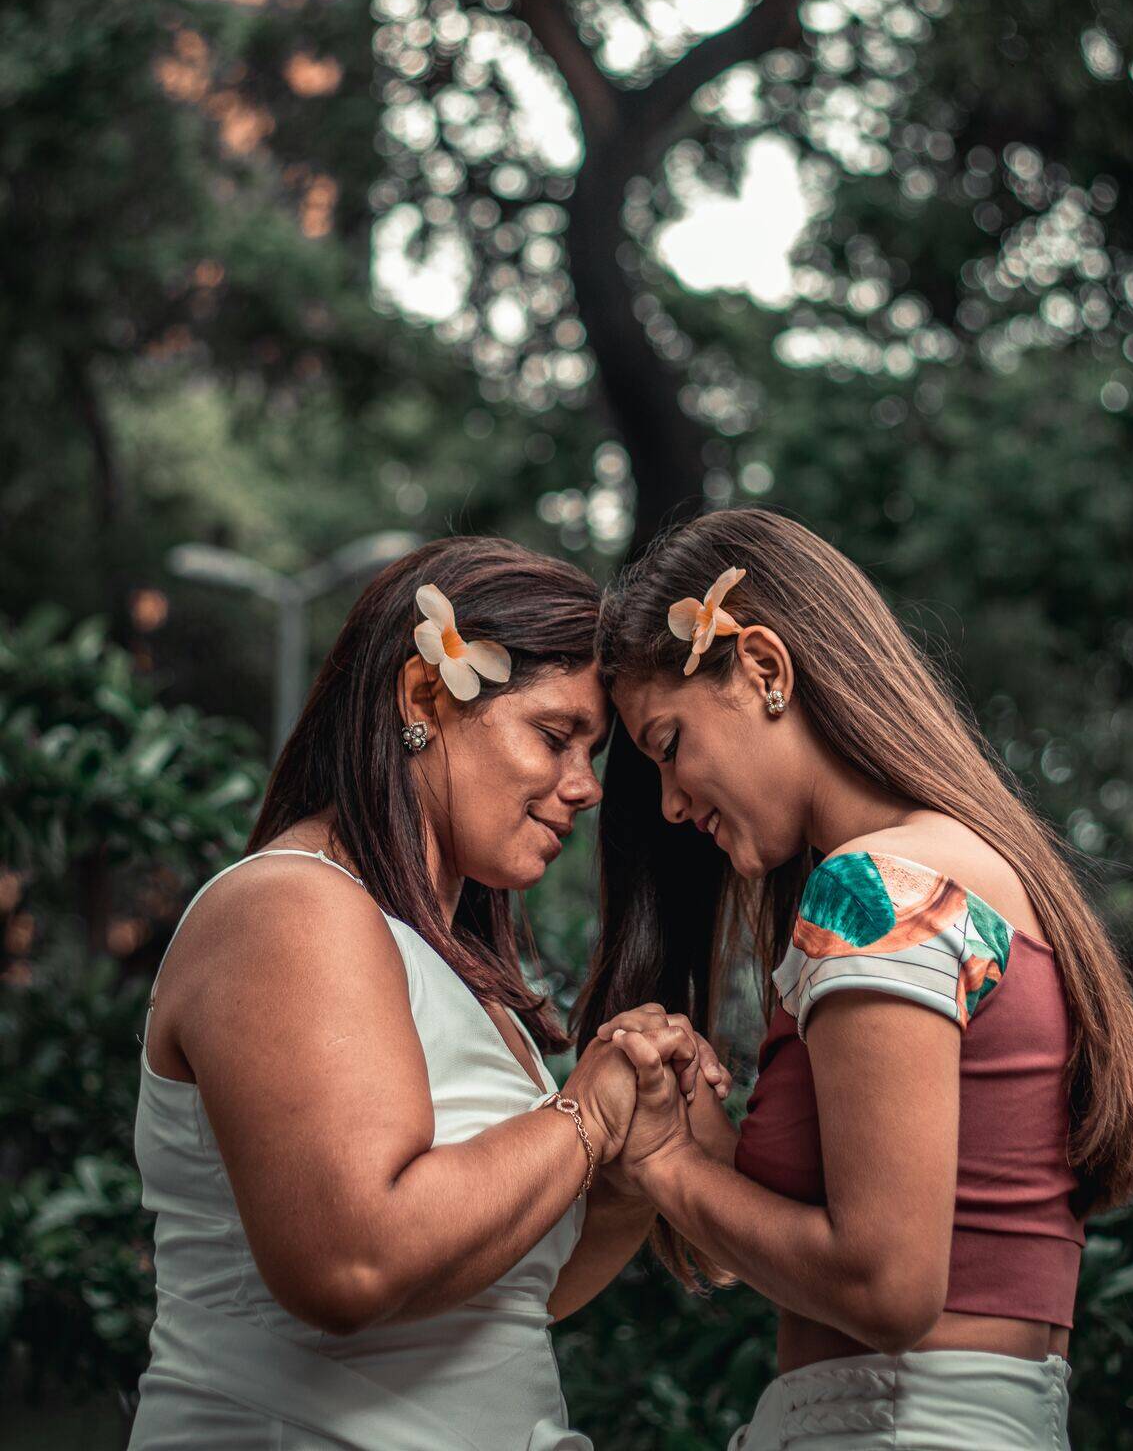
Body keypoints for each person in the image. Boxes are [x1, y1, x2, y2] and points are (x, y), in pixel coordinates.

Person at [576, 507, 1133, 1451]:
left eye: (669, 746)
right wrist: (702, 1139)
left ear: (765, 671)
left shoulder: (875, 890)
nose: (675, 802)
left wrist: (660, 1165)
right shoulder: (963, 871)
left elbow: (886, 1288)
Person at [129, 535, 728, 1451]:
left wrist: (634, 1163)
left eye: (595, 752)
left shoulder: (455, 970)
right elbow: (357, 1265)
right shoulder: (294, 906)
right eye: (554, 736)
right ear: (424, 699)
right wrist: (584, 1117)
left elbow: (506, 1291)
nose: (586, 788)